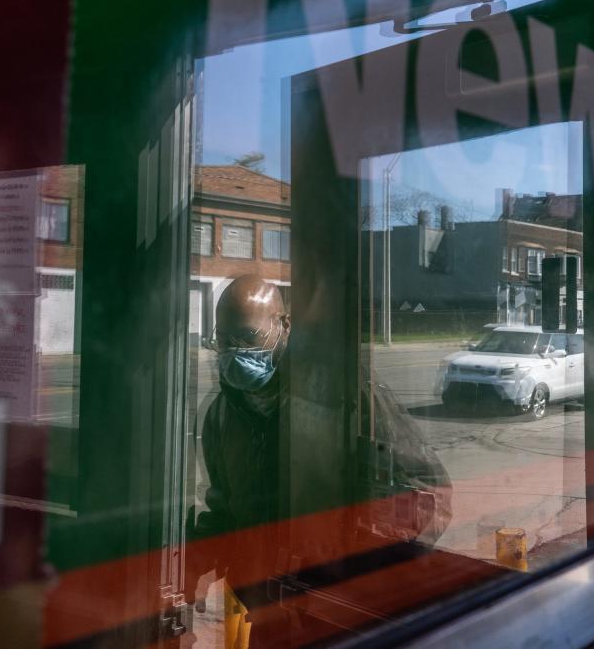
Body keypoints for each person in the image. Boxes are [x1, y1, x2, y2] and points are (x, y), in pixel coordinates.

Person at [185, 274, 451, 646]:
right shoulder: (222, 416)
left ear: (285, 327)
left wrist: (363, 573)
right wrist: (199, 559)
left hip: (341, 617)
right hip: (267, 616)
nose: (234, 353)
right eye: (223, 341)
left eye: (248, 339)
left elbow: (430, 493)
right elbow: (228, 511)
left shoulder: (344, 397)